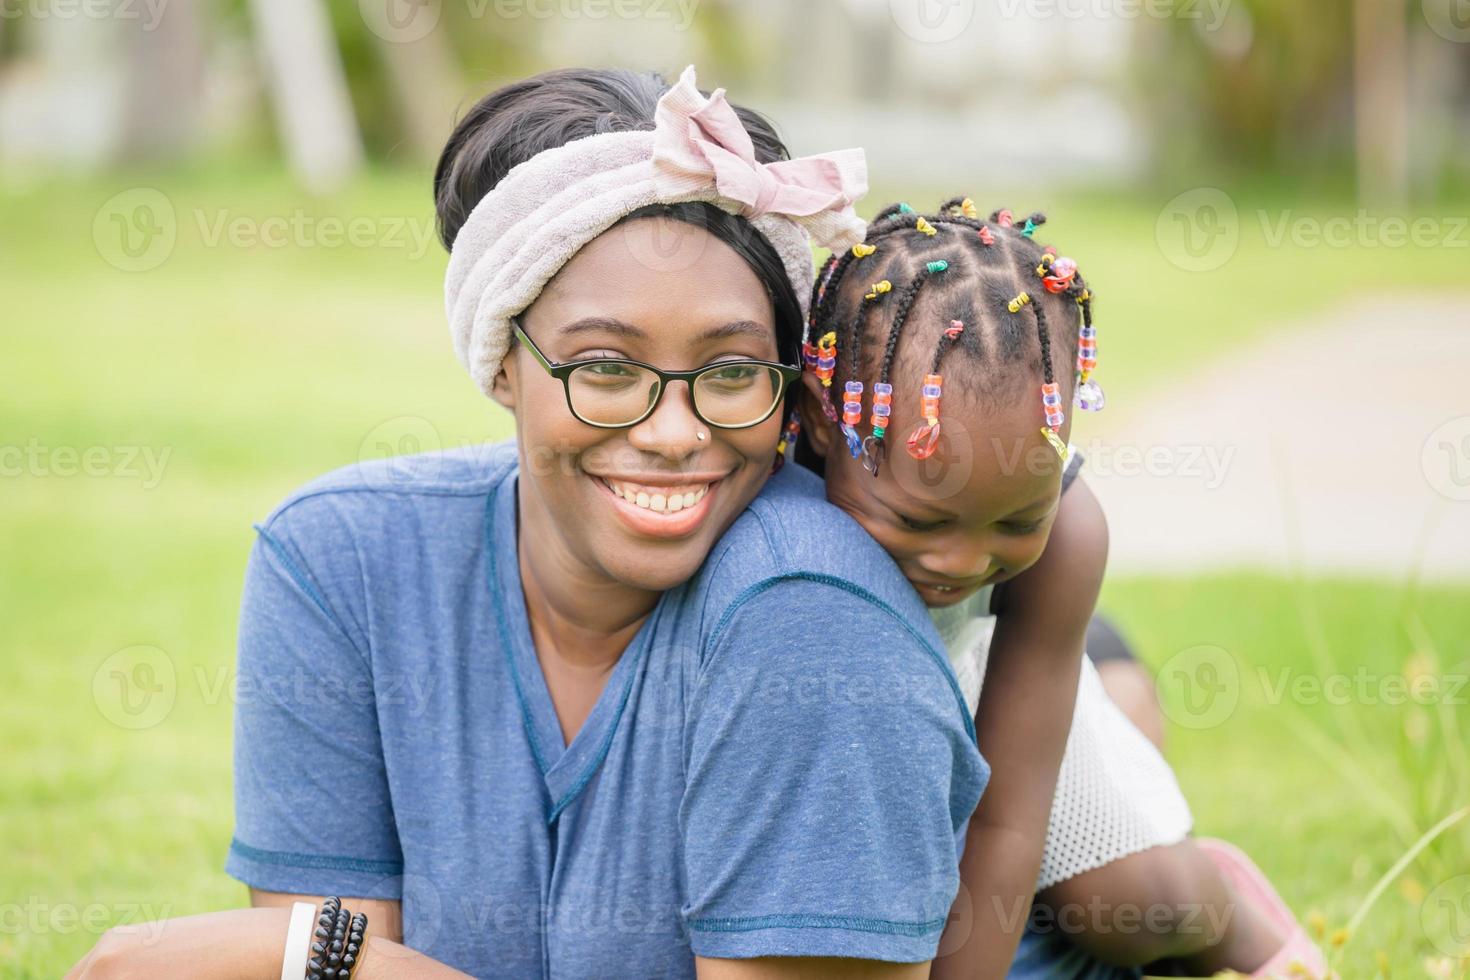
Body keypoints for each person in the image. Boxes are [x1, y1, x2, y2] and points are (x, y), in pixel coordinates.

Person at [66, 67, 1003, 980]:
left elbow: (316, 966)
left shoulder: (812, 615)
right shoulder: (342, 559)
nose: (673, 433)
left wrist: (314, 959)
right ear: (503, 360)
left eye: (728, 373)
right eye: (602, 368)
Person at [795, 198, 1329, 979]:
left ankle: (1230, 915)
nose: (963, 560)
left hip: (1001, 704)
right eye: (920, 519)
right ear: (824, 421)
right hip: (888, 725)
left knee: (1120, 901)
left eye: (1014, 523)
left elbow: (1011, 819)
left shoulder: (1070, 538)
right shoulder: (781, 501)